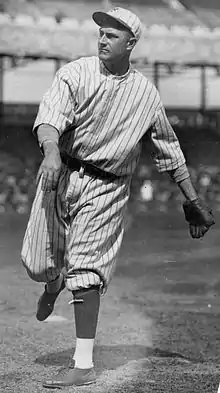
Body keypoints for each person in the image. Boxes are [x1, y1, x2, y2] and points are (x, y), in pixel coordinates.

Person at [21, 7, 215, 388]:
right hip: (61, 173)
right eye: (101, 33)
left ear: (131, 43)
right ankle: (52, 282)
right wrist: (50, 149)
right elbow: (50, 116)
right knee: (36, 263)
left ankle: (83, 364)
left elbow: (169, 150)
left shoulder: (145, 94)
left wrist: (192, 198)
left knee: (87, 269)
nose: (102, 39)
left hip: (107, 187)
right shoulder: (76, 72)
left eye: (112, 35)